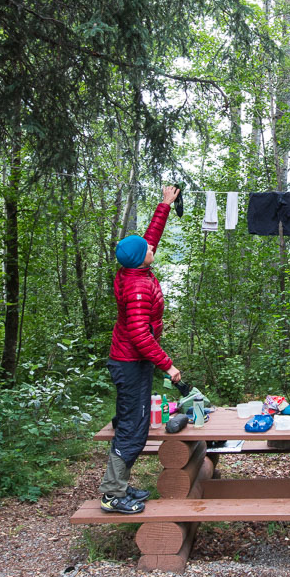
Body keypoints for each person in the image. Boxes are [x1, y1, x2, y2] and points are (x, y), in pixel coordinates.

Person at [99, 185, 183, 514]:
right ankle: (112, 495)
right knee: (134, 430)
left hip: (130, 362)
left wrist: (165, 204)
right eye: (147, 248)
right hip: (131, 361)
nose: (152, 247)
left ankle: (118, 486)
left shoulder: (134, 268)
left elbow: (148, 238)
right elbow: (139, 336)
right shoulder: (136, 287)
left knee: (131, 423)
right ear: (140, 257)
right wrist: (169, 366)